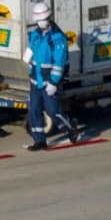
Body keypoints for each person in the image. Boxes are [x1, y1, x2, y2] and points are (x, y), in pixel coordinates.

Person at [27, 18, 73, 149]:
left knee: (53, 111)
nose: (39, 22)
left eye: (42, 19)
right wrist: (30, 71)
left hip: (49, 81)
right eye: (38, 20)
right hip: (36, 80)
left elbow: (59, 63)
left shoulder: (58, 38)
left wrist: (54, 82)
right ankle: (39, 141)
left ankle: (69, 127)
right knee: (34, 110)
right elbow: (31, 54)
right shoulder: (35, 34)